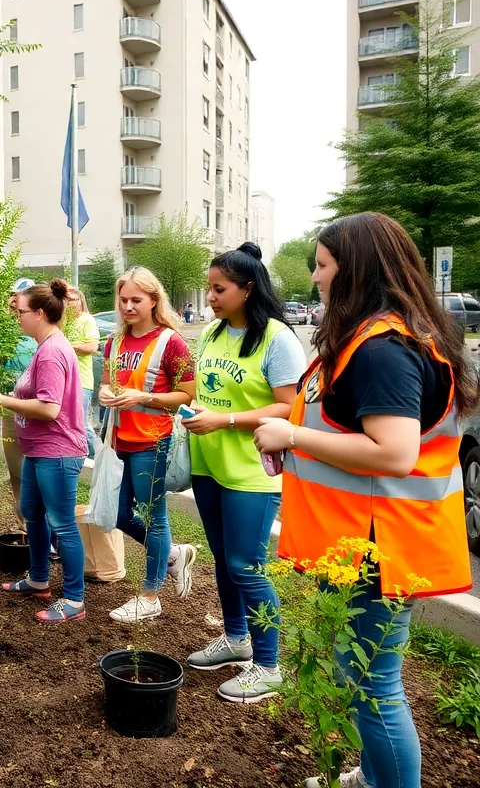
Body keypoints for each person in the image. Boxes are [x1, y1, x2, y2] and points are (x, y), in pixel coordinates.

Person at [254, 213, 475, 788]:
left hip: (379, 546)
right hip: (364, 540)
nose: (315, 278)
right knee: (363, 677)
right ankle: (374, 777)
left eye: (323, 265)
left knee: (373, 683)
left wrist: (293, 437)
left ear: (355, 272)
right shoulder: (375, 339)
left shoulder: (382, 349)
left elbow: (396, 453)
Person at [181, 242, 305, 703]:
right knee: (222, 559)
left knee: (246, 566)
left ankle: (268, 665)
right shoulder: (212, 335)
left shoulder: (277, 337)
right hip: (209, 464)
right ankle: (236, 639)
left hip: (252, 471)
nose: (210, 297)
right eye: (210, 288)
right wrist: (199, 413)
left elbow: (289, 406)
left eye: (220, 289)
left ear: (248, 290)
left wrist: (225, 419)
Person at [0, 279, 88, 624]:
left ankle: (73, 599)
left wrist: (0, 399)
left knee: (62, 523)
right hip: (39, 451)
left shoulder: (53, 352)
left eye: (21, 311)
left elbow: (49, 408)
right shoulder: (44, 347)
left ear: (40, 313)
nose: (17, 316)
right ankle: (39, 579)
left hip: (57, 451)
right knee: (32, 510)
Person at [97, 267, 197, 624]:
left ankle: (150, 595)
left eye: (136, 300)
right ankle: (172, 555)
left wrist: (145, 397)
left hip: (152, 441)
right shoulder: (114, 342)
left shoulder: (172, 343)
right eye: (122, 300)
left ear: (154, 300)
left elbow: (187, 395)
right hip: (117, 440)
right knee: (119, 514)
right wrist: (106, 392)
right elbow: (106, 384)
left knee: (154, 517)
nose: (127, 306)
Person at [0, 278, 38, 521]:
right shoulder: (4, 327)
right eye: (14, 295)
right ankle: (24, 523)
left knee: (35, 468)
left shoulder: (40, 329)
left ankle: (42, 526)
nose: (16, 300)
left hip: (35, 407)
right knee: (15, 469)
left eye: (22, 295)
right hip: (8, 405)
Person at [64, 285, 102, 457]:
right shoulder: (63, 322)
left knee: (79, 421)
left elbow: (92, 347)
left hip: (81, 380)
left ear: (80, 301)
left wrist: (66, 346)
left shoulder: (87, 320)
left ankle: (97, 456)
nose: (69, 303)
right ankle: (78, 455)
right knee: (68, 422)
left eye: (72, 299)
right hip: (64, 380)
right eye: (66, 300)